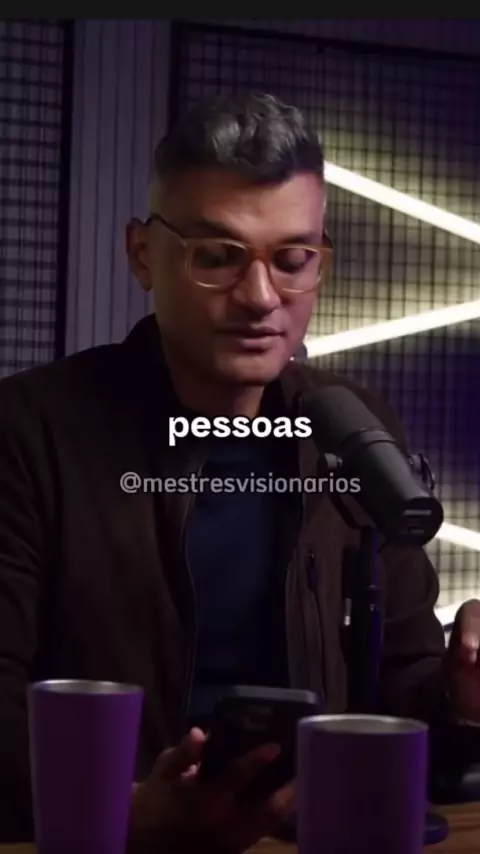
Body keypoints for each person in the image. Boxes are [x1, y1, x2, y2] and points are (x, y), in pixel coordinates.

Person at [1, 91, 480, 852]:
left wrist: (462, 695)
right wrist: (124, 815)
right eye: (218, 257)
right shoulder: (28, 432)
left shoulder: (356, 429)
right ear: (142, 255)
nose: (260, 298)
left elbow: (404, 696)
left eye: (292, 261)